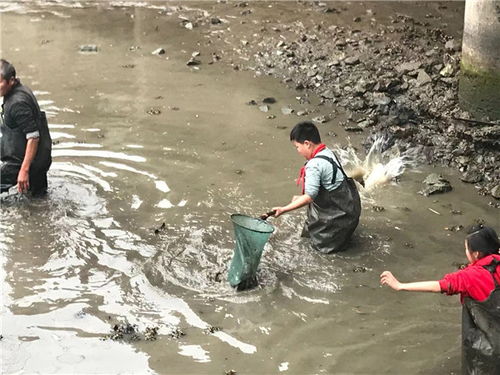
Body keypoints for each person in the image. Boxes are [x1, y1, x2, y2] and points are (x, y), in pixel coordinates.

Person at [380, 226, 500, 374]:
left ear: (476, 253)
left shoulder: (470, 276)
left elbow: (439, 286)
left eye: (466, 249)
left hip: (490, 344)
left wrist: (400, 286)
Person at [272, 121, 361, 253]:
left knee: (317, 251)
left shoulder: (314, 165)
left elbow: (309, 197)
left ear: (307, 144)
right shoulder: (328, 152)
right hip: (350, 212)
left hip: (337, 218)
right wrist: (300, 197)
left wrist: (283, 209)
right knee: (309, 236)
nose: (298, 151)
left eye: (297, 147)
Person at [0, 59, 51, 196]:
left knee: (36, 199)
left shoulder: (17, 103)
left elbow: (33, 137)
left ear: (11, 81)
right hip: (40, 158)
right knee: (39, 200)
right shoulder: (18, 90)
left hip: (24, 162)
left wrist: (24, 170)